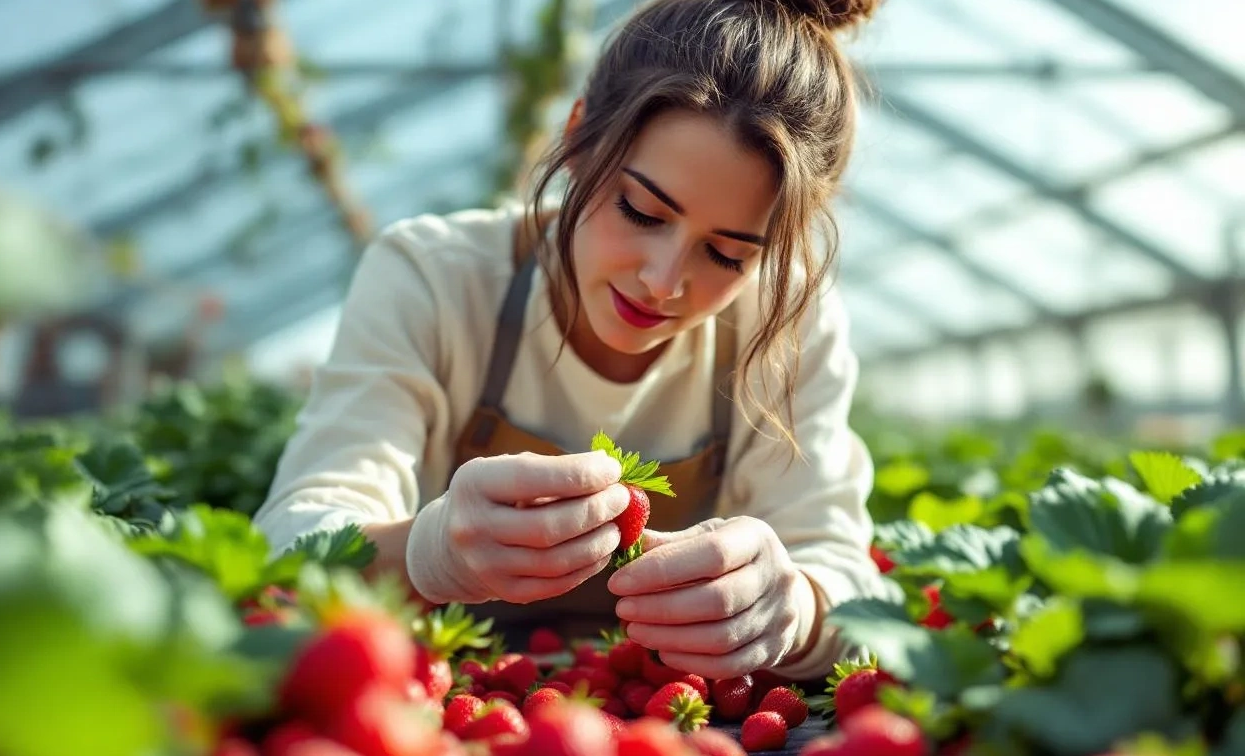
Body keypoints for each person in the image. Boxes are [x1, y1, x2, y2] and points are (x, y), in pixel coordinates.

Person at [253, 0, 892, 683]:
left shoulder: (787, 320)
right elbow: (289, 536)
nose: (663, 280)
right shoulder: (434, 278)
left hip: (659, 700)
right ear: (580, 136)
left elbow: (856, 589)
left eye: (728, 256)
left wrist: (795, 607)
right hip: (450, 683)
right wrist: (426, 552)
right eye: (641, 211)